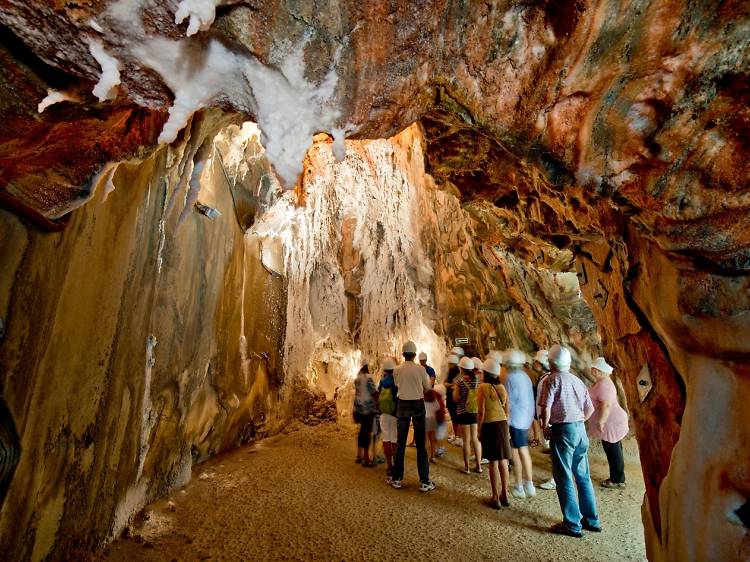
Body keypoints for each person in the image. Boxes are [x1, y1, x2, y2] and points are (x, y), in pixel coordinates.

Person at [540, 344, 601, 538]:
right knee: (583, 476)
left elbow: (545, 408)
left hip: (563, 431)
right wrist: (578, 420)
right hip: (579, 430)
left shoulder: (552, 380)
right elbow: (590, 409)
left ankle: (572, 524)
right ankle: (592, 520)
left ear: (551, 362)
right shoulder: (577, 380)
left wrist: (545, 426)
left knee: (564, 476)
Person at [391, 340, 436, 492]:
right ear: (415, 354)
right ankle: (424, 481)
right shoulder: (421, 370)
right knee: (421, 444)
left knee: (400, 442)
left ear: (403, 354)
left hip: (402, 403)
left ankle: (397, 478)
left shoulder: (397, 370)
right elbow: (428, 387)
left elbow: (397, 385)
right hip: (418, 404)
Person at [587, 357, 629, 489]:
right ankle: (618, 476)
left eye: (594, 368)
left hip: (610, 423)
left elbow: (606, 406)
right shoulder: (602, 382)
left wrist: (600, 421)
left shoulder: (605, 384)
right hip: (610, 422)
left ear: (600, 371)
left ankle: (617, 479)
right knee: (613, 449)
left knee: (613, 450)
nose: (592, 370)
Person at [478, 359, 511, 509]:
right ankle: (505, 494)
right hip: (502, 425)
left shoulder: (483, 387)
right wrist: (506, 429)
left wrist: (478, 430)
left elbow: (481, 412)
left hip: (490, 425)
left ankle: (495, 497)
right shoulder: (502, 388)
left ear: (485, 373)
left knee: (493, 462)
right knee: (503, 461)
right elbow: (507, 411)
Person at [504, 349, 536, 499]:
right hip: (525, 418)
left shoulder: (510, 378)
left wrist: (507, 421)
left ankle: (519, 487)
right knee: (525, 451)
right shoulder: (525, 376)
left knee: (516, 453)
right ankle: (529, 485)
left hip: (515, 420)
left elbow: (508, 402)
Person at [455, 356, 482, 474]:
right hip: (474, 412)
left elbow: (455, 398)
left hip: (463, 412)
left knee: (466, 441)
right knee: (475, 439)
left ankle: (467, 468)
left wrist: (461, 398)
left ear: (462, 368)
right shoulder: (478, 381)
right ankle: (479, 466)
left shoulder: (460, 382)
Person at [353, 363, 378, 467]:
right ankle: (366, 458)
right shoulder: (368, 379)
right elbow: (374, 393)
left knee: (362, 431)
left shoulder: (357, 379)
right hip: (368, 410)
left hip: (358, 409)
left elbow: (357, 394)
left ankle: (359, 455)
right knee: (367, 432)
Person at [377, 358, 399, 476]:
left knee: (386, 439)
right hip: (395, 414)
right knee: (394, 440)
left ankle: (389, 466)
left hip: (384, 414)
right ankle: (396, 465)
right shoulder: (397, 382)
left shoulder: (382, 381)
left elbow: (378, 393)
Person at [444, 354, 462, 447]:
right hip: (450, 398)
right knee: (453, 418)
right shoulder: (451, 371)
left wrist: (449, 384)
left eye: (450, 363)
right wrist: (449, 384)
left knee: (456, 418)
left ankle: (458, 437)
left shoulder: (458, 372)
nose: (448, 365)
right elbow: (445, 382)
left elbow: (454, 385)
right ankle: (456, 435)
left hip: (455, 398)